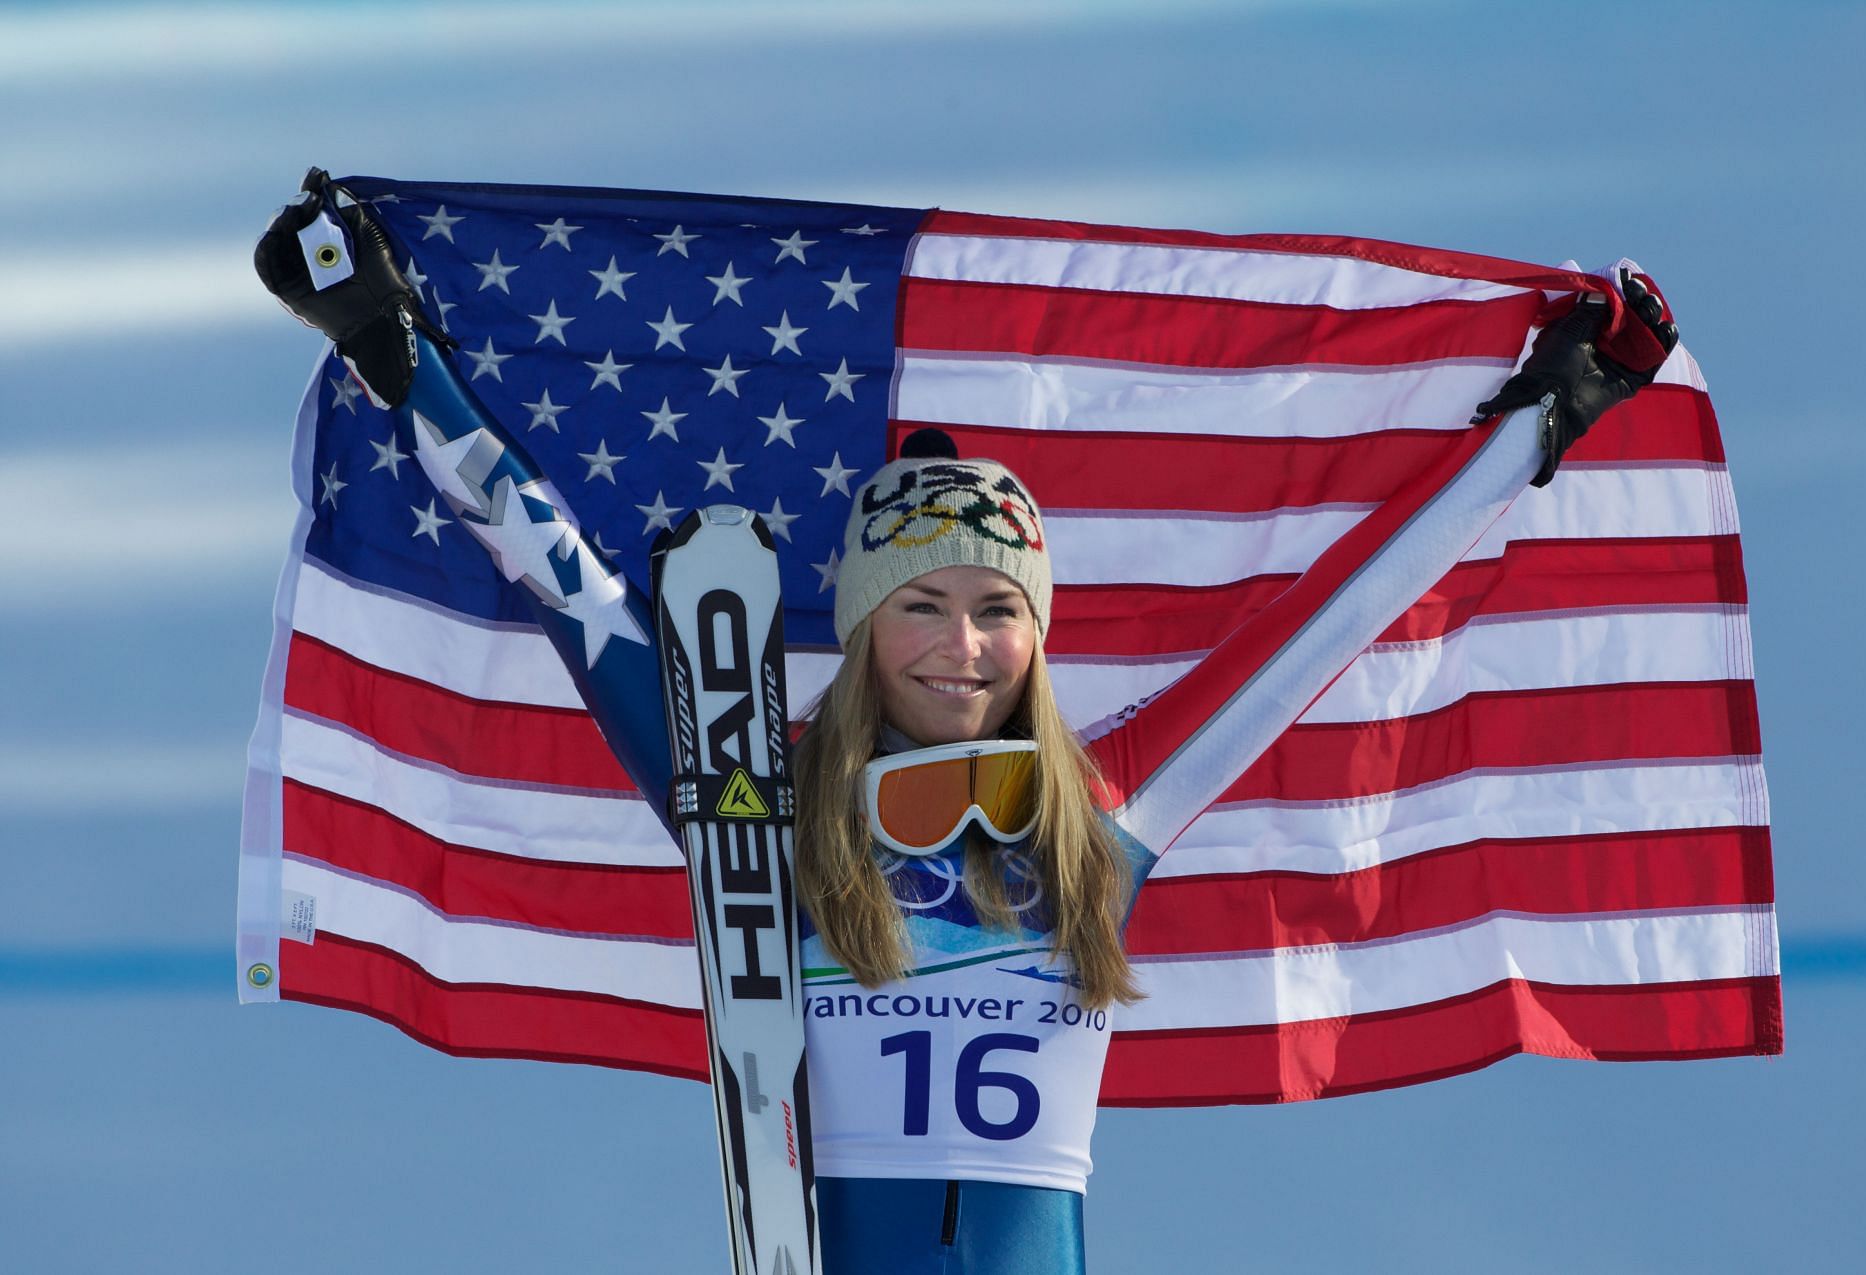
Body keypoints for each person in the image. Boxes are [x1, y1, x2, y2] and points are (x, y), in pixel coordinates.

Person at [255, 170, 1675, 1275]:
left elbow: (1331, 623)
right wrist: (394, 351)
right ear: (865, 626)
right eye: (921, 607)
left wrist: (1542, 424)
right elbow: (574, 589)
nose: (964, 645)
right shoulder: (754, 808)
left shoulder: (1108, 818)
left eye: (997, 611)